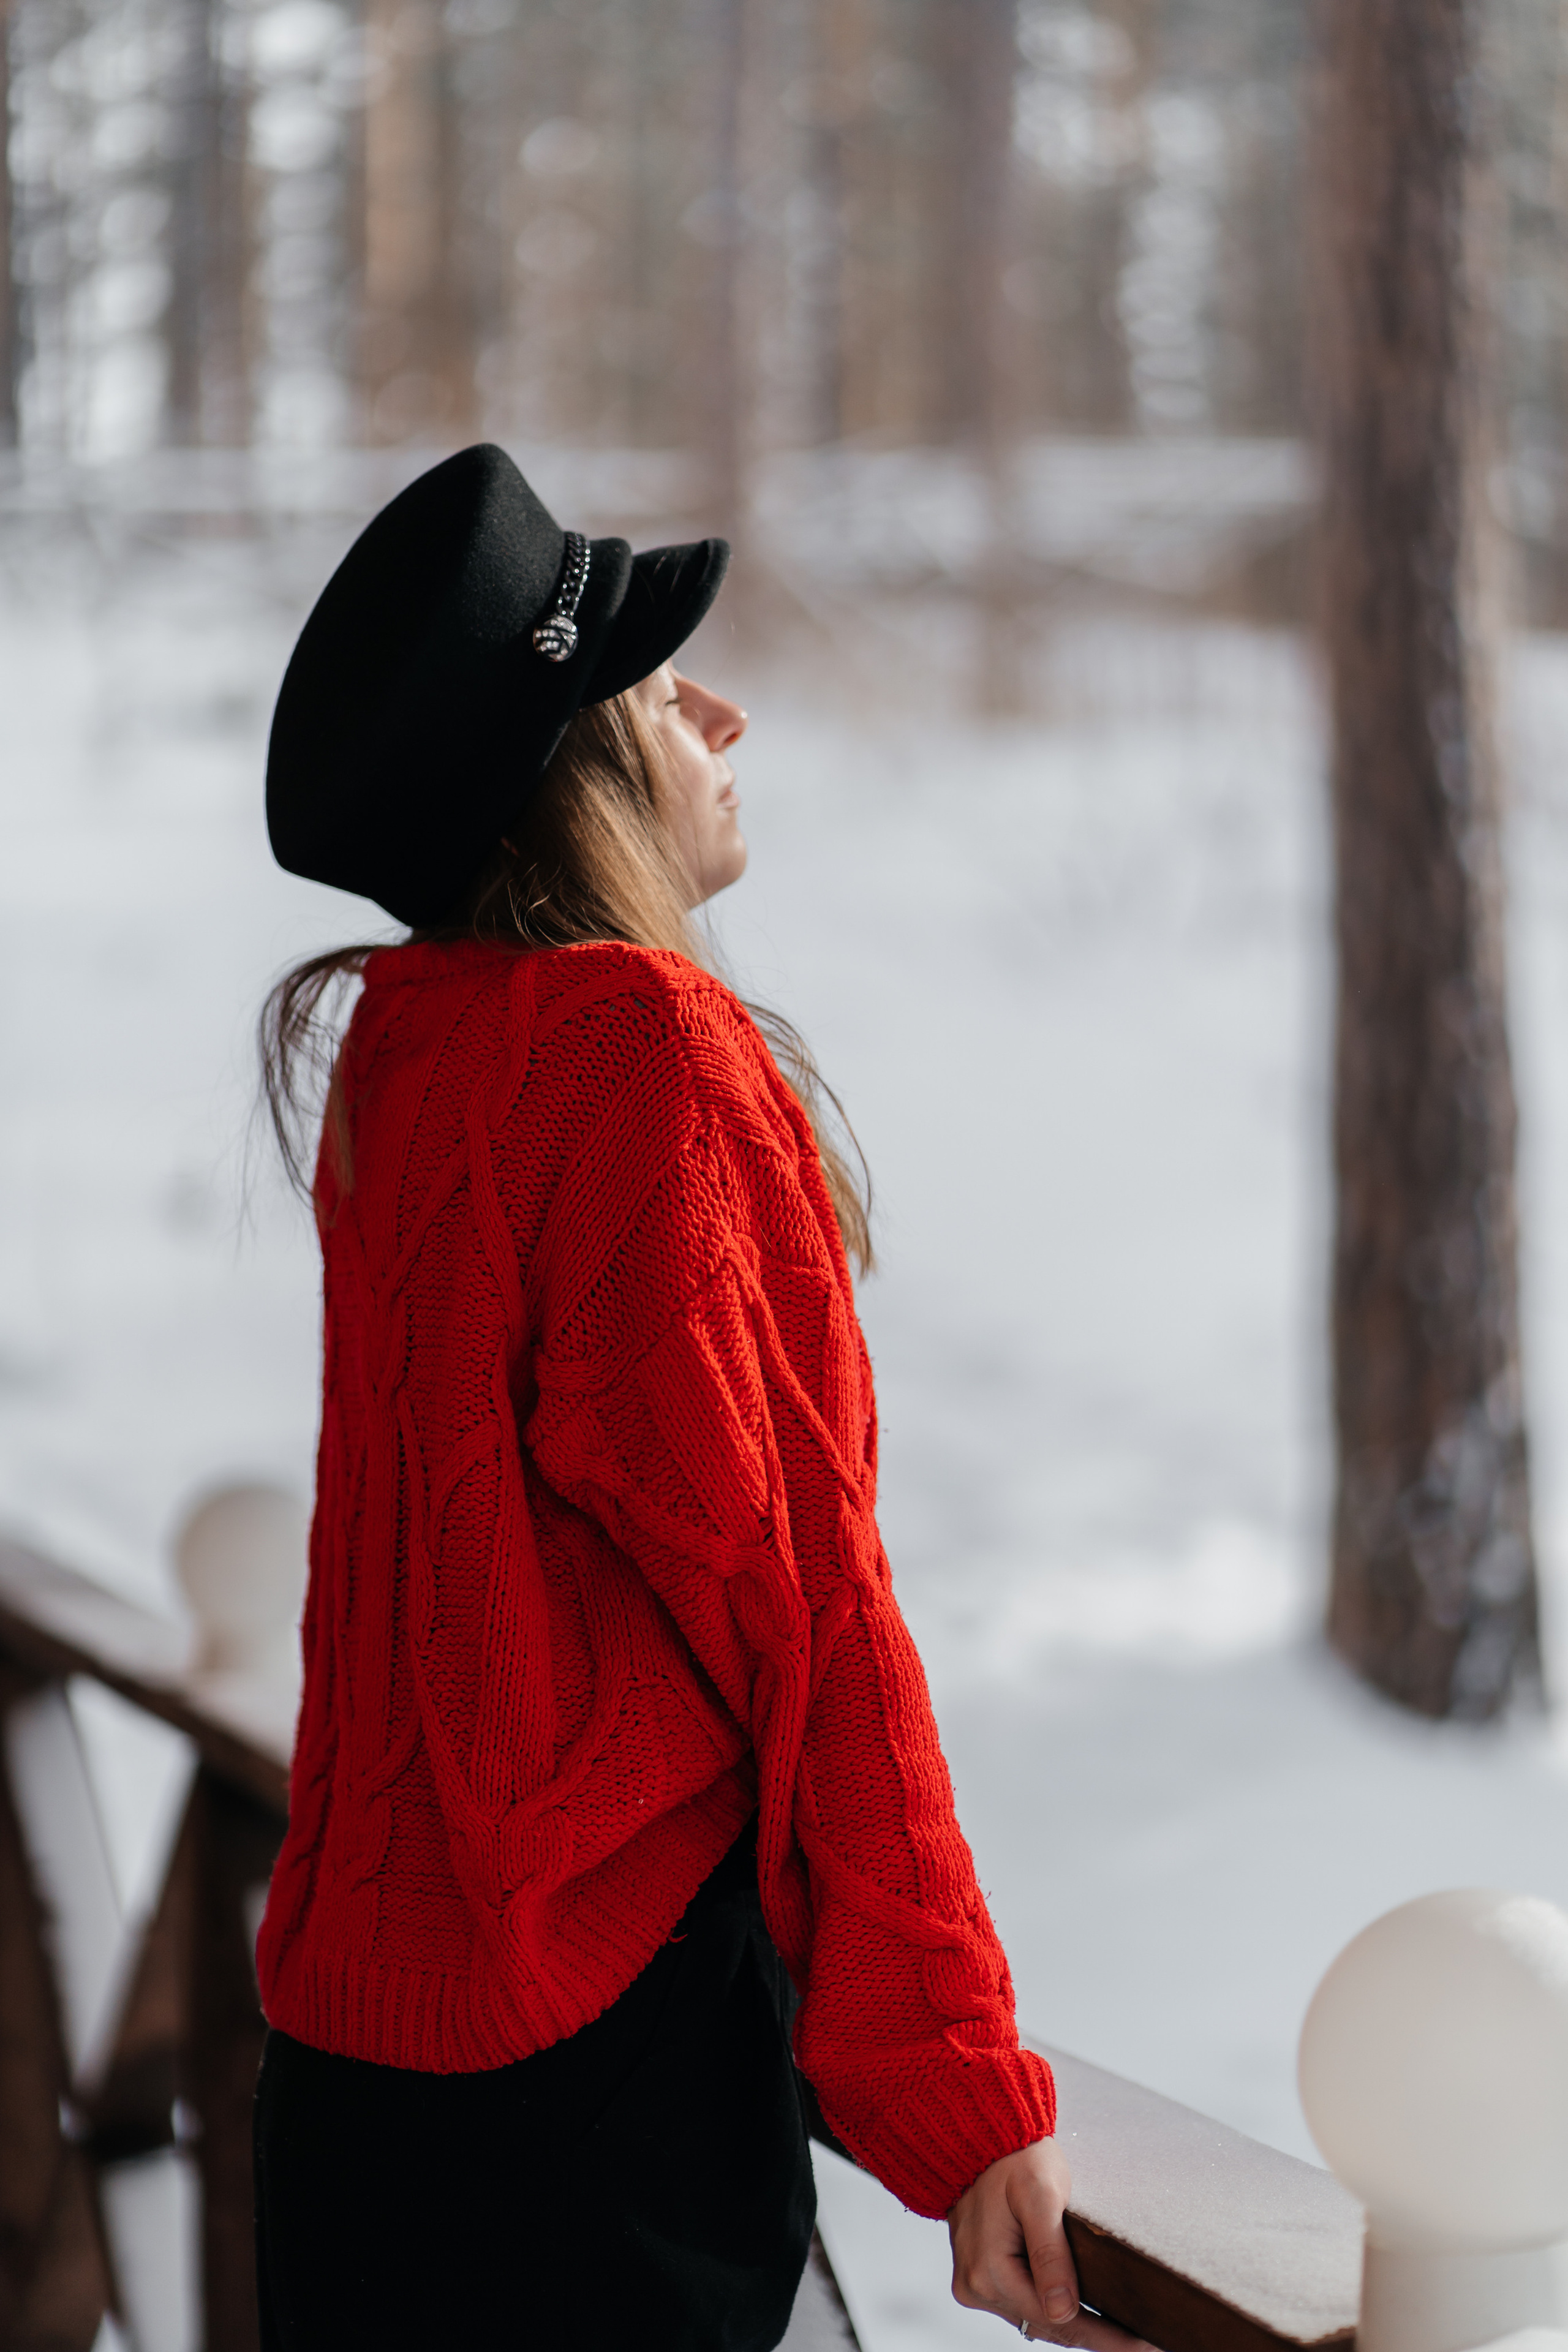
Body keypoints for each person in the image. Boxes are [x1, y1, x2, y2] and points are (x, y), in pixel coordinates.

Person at [254, 445, 1149, 2352]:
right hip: (589, 2104)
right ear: (570, 769)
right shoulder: (633, 1049)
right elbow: (802, 1603)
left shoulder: (405, 1057)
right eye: (659, 690)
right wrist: (956, 2080)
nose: (720, 713)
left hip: (351, 2072)